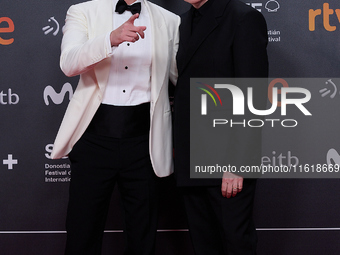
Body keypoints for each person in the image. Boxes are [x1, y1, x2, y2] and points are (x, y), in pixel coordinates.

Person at [50, 0, 180, 254]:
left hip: (145, 142)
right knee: (82, 233)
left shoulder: (170, 20)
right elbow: (69, 63)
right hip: (93, 139)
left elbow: (181, 76)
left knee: (143, 237)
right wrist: (110, 39)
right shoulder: (82, 12)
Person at [173, 0, 268, 254]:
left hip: (227, 161)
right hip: (191, 159)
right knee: (204, 245)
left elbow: (253, 98)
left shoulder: (243, 18)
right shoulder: (182, 22)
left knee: (236, 243)